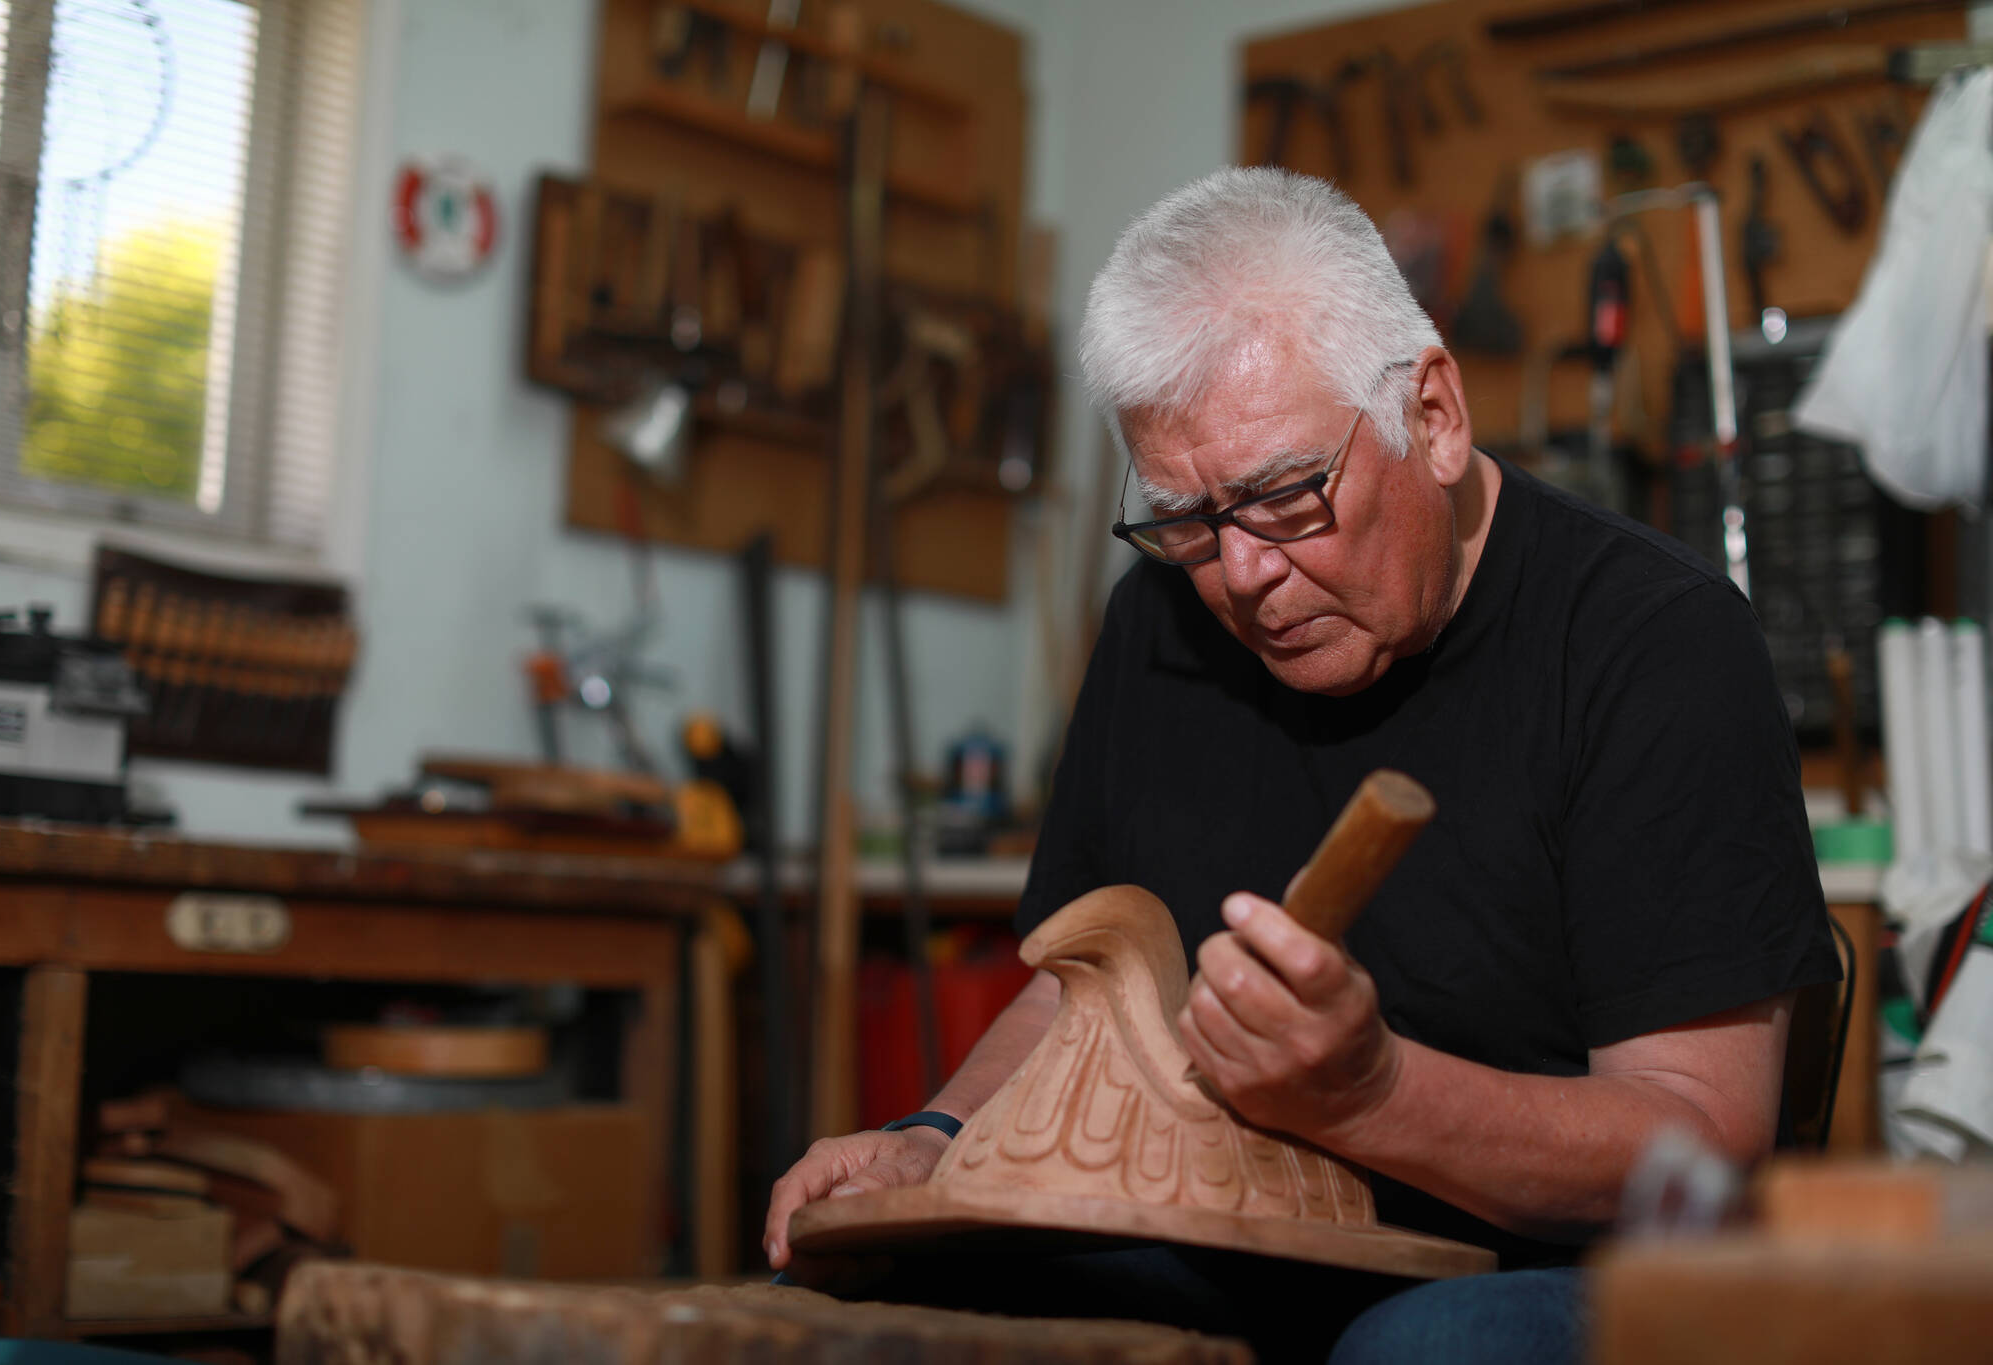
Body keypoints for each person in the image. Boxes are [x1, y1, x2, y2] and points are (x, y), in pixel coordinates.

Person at [762, 167, 1840, 1363]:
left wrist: (1371, 1095)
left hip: (1584, 1265)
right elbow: (1088, 975)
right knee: (915, 1311)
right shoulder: (1160, 624)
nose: (1240, 575)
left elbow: (1698, 1142)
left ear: (1430, 416)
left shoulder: (1654, 643)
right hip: (1257, 1230)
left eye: (1282, 497)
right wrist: (931, 1138)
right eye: (1184, 517)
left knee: (1424, 1352)